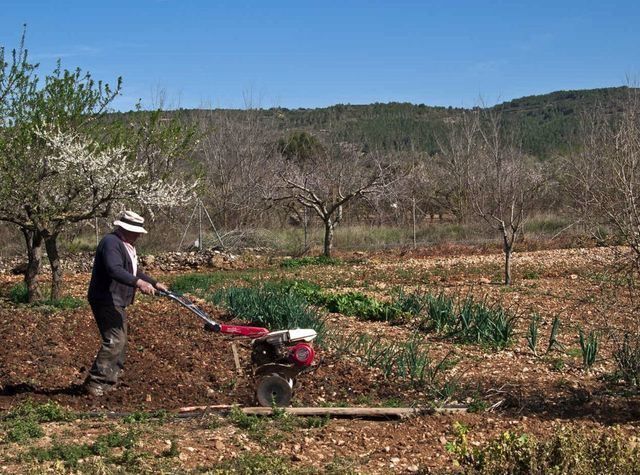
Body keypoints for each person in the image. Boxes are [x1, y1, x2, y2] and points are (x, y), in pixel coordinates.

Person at [84, 210, 168, 397]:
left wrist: (154, 283)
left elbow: (133, 270)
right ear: (125, 228)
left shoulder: (126, 245)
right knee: (115, 340)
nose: (139, 234)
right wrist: (139, 284)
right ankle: (96, 382)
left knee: (120, 341)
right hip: (105, 298)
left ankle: (110, 380)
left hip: (116, 299)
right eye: (136, 231)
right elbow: (114, 269)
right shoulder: (111, 243)